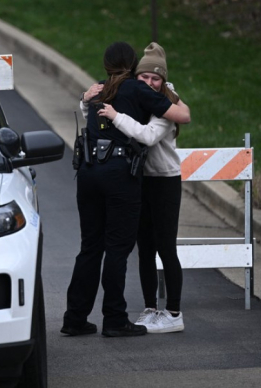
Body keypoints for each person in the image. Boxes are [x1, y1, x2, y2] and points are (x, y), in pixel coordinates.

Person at [62, 41, 190, 338]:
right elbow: (181, 115)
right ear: (133, 68)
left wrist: (83, 97)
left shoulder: (98, 89)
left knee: (90, 248)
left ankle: (75, 318)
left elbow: (88, 110)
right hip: (120, 176)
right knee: (118, 249)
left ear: (105, 65)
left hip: (88, 172)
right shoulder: (135, 89)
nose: (147, 81)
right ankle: (115, 319)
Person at [96, 42, 185, 334]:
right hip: (140, 180)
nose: (148, 83)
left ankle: (173, 312)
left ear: (162, 81)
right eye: (143, 77)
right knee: (144, 248)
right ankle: (150, 309)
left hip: (164, 180)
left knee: (165, 247)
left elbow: (146, 136)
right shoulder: (139, 99)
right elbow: (103, 96)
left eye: (155, 78)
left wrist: (116, 117)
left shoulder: (166, 110)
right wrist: (87, 97)